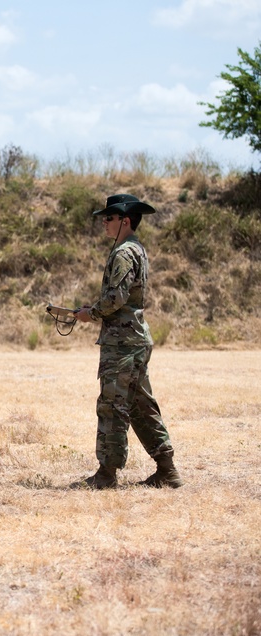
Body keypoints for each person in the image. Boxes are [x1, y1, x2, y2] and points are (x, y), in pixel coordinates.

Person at [74, 194, 183, 489]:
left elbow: (115, 298)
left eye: (108, 218)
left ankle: (107, 474)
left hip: (122, 343)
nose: (104, 223)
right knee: (139, 405)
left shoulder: (123, 252)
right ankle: (167, 470)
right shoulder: (136, 249)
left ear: (125, 220)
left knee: (112, 405)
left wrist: (90, 313)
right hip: (134, 339)